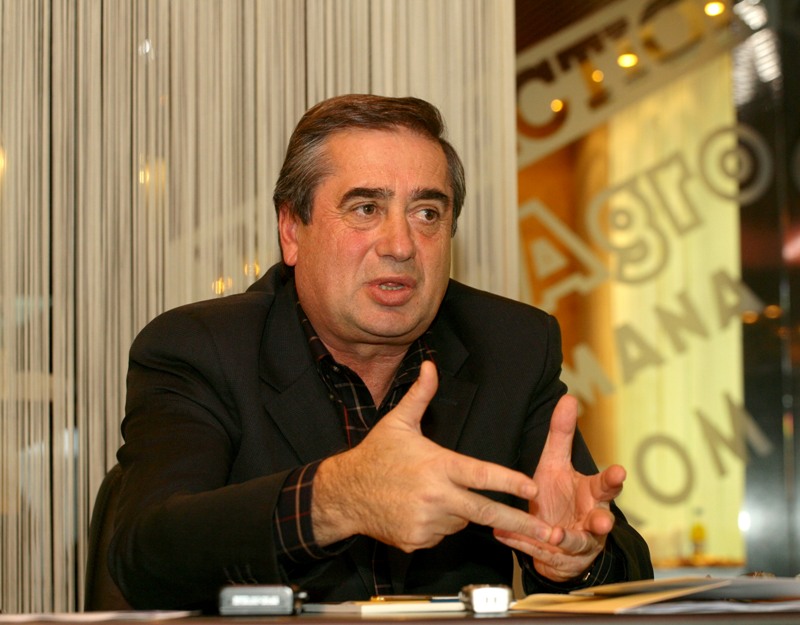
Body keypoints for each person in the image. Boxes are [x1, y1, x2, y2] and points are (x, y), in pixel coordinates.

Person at [109, 94, 653, 611]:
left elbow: (625, 577)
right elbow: (145, 554)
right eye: (366, 208)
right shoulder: (201, 349)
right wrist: (336, 498)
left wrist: (577, 561)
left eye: (427, 213)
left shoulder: (511, 347)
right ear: (291, 230)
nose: (400, 245)